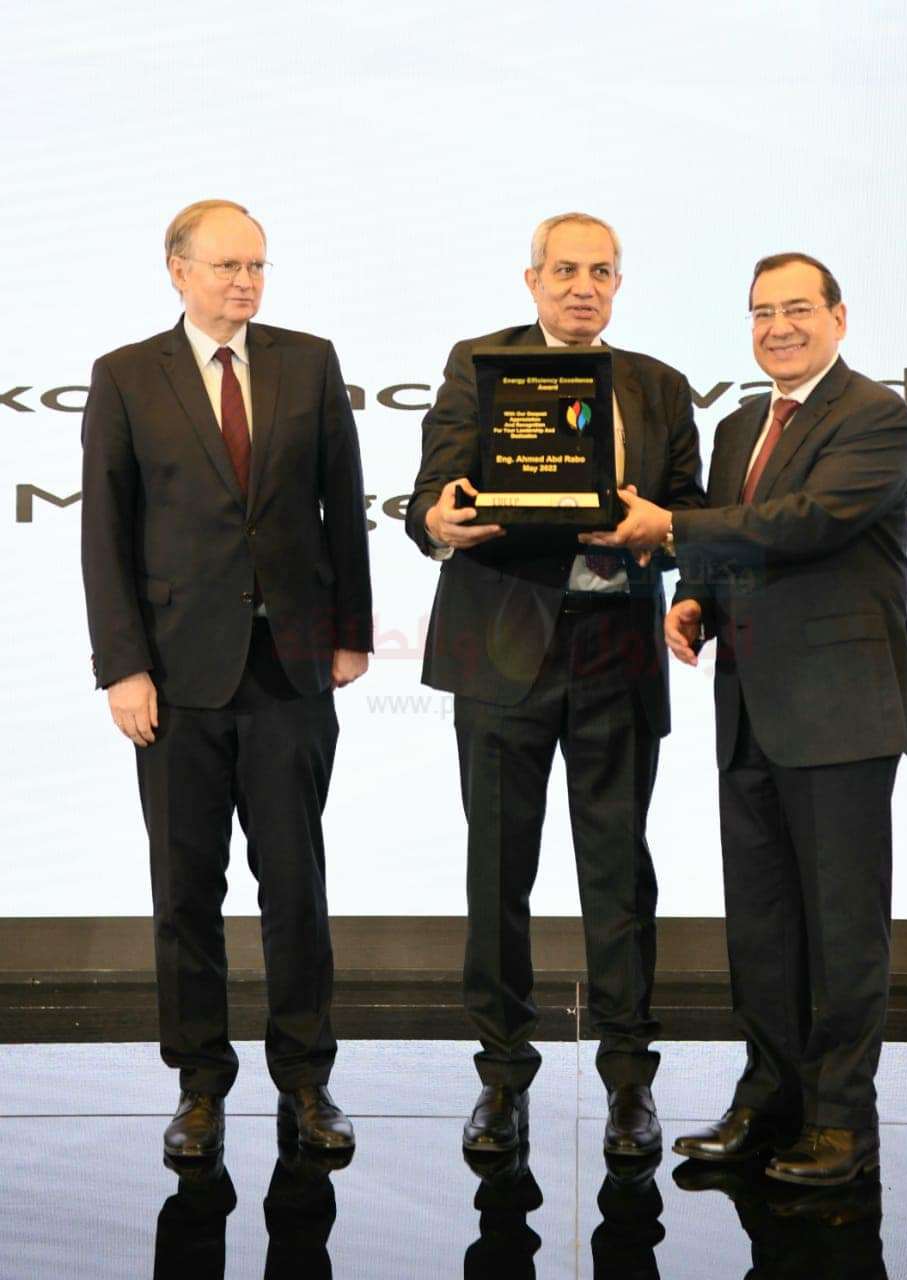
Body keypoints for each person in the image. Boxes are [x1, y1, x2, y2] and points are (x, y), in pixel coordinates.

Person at [590, 251, 907, 1185]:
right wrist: (694, 596)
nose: (778, 327)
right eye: (761, 313)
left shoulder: (874, 414)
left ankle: (841, 1122)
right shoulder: (741, 423)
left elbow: (806, 522)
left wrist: (674, 531)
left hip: (840, 709)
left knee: (843, 929)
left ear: (838, 318)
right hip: (748, 704)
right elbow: (733, 541)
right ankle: (769, 1099)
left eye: (797, 309)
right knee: (762, 923)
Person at [406, 212, 704, 1157]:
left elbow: (690, 514)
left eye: (601, 272)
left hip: (618, 647)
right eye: (566, 270)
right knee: (499, 870)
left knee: (618, 872)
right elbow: (432, 493)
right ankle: (502, 1077)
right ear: (532, 280)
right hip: (503, 646)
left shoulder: (659, 384)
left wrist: (662, 531)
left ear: (618, 285)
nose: (584, 287)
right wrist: (437, 521)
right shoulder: (479, 364)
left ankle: (629, 1081)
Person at [81, 199, 373, 1159]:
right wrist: (123, 666)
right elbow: (104, 535)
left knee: (296, 887)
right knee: (185, 895)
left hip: (290, 672)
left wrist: (351, 633)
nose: (246, 282)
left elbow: (342, 504)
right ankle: (200, 1086)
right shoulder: (127, 375)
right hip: (174, 679)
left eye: (257, 266)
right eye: (227, 266)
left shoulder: (308, 361)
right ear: (178, 270)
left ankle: (307, 1081)